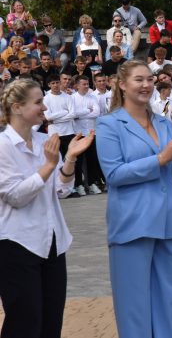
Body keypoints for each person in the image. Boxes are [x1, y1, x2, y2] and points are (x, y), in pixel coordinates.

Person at [95, 60, 172, 338]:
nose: (146, 85)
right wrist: (161, 158)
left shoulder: (164, 123)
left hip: (168, 221)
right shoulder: (109, 124)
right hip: (132, 223)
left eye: (150, 79)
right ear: (122, 84)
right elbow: (114, 174)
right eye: (139, 80)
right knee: (134, 305)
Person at [0, 78, 93, 338]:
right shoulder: (3, 146)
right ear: (17, 107)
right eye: (38, 102)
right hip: (16, 243)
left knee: (51, 322)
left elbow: (61, 190)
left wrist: (69, 159)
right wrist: (49, 166)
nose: (44, 108)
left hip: (53, 241)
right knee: (24, 323)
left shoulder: (45, 142)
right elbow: (15, 196)